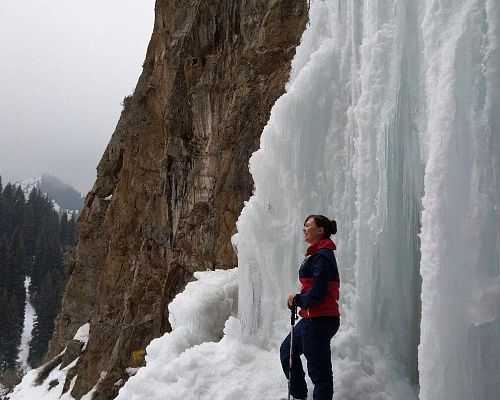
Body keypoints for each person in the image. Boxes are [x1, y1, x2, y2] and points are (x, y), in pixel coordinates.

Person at [280, 215, 340, 400]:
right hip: (311, 318)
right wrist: (299, 301)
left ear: (320, 230)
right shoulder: (316, 254)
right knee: (286, 352)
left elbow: (318, 293)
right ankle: (299, 395)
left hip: (320, 320)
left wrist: (298, 299)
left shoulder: (323, 256)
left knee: (319, 373)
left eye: (307, 225)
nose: (303, 229)